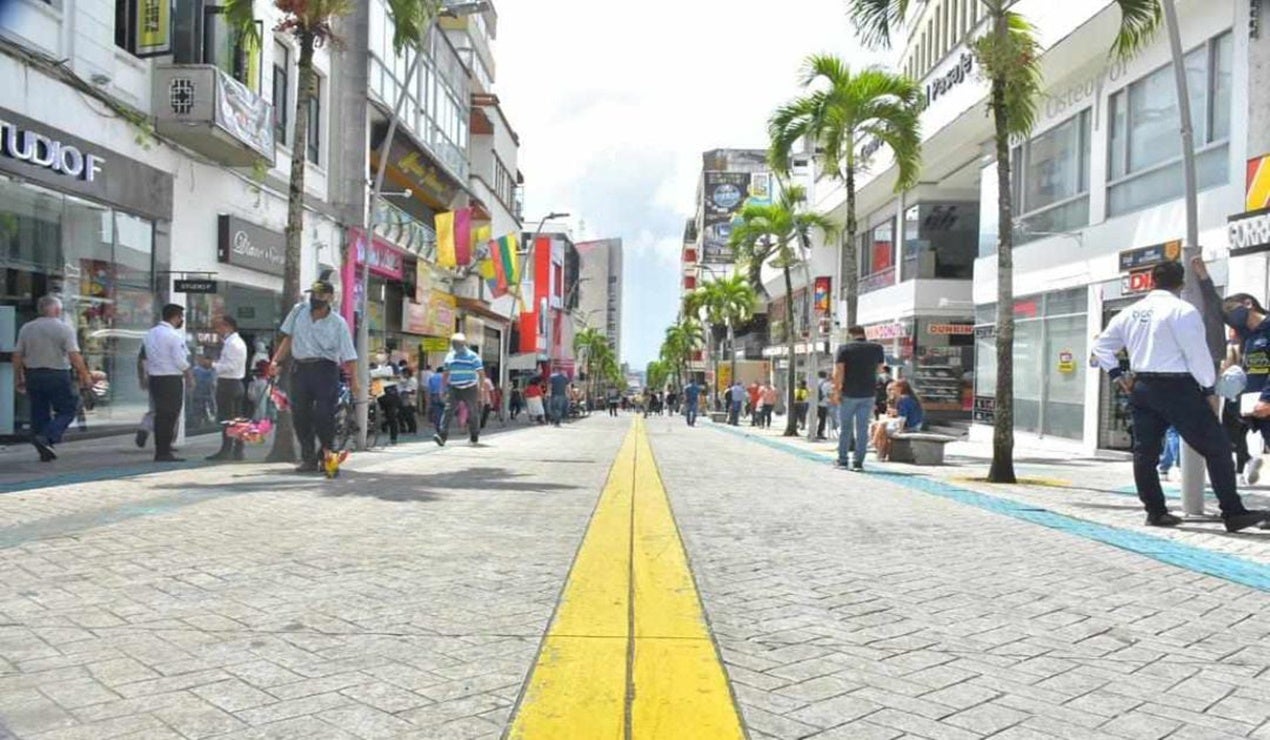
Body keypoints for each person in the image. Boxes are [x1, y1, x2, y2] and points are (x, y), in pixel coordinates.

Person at [1092, 260, 1266, 531]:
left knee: (1145, 453)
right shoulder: (1183, 311)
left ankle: (1156, 511)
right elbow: (1196, 354)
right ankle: (1232, 512)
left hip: (1142, 387)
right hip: (1178, 388)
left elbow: (1101, 346)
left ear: (1151, 281)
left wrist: (1117, 375)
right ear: (1182, 284)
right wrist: (1209, 388)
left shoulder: (1130, 312)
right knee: (1218, 448)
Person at [269, 277, 359, 474]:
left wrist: (355, 383)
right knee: (300, 416)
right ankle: (308, 458)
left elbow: (349, 354)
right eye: (313, 294)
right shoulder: (298, 311)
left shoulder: (338, 323)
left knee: (324, 416)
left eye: (320, 294)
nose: (315, 298)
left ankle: (327, 458)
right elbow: (288, 338)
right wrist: (276, 362)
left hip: (325, 370)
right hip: (300, 369)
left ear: (329, 297)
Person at [12, 295, 94, 462]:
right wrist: (85, 375)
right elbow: (74, 355)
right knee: (68, 408)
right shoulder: (64, 328)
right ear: (57, 310)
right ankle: (47, 436)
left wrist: (18, 376)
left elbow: (17, 355)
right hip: (57, 374)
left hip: (33, 374)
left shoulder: (27, 328)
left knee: (39, 411)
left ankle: (44, 448)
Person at [832, 325, 886, 471]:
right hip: (868, 392)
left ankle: (842, 460)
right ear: (864, 334)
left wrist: (837, 391)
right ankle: (858, 463)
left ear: (850, 335)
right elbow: (880, 369)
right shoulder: (877, 348)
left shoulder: (844, 349)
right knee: (862, 429)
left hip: (848, 392)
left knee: (845, 428)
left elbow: (839, 371)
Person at [143, 304, 192, 463]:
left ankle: (161, 449)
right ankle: (165, 451)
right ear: (175, 317)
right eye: (181, 317)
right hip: (171, 378)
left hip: (156, 378)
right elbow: (180, 360)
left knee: (160, 415)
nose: (181, 320)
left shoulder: (150, 333)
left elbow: (145, 355)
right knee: (171, 415)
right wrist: (189, 375)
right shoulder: (173, 336)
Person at [207, 315, 247, 461]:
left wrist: (212, 365)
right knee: (236, 419)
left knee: (228, 419)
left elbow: (230, 366)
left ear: (228, 326)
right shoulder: (234, 342)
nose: (218, 330)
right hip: (234, 383)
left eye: (220, 326)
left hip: (229, 383)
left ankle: (228, 449)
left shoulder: (233, 344)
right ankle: (237, 449)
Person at [434, 333, 486, 446]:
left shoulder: (473, 356)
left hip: (470, 388)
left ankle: (474, 436)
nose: (456, 346)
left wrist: (481, 389)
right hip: (454, 388)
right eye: (454, 344)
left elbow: (481, 373)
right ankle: (442, 436)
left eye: (458, 344)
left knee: (473, 412)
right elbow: (446, 374)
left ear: (464, 344)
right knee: (448, 411)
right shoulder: (450, 356)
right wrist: (442, 389)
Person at [191, 355, 217, 428]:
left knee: (211, 414)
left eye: (210, 360)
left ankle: (210, 425)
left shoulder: (214, 370)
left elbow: (214, 383)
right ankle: (198, 425)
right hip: (198, 395)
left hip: (210, 396)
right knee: (197, 412)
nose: (208, 362)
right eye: (206, 359)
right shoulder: (196, 370)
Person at [398, 367, 419, 435]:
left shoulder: (413, 380)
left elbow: (413, 390)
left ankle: (412, 429)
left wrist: (405, 392)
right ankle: (405, 429)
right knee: (401, 415)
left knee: (409, 416)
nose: (404, 375)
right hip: (404, 400)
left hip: (410, 400)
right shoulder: (405, 380)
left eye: (405, 374)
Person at [427, 364, 446, 432]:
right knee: (445, 411)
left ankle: (438, 426)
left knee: (437, 412)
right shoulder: (446, 377)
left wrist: (428, 399)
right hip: (444, 395)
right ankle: (444, 425)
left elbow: (429, 389)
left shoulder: (432, 377)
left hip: (434, 395)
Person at [815, 371, 834, 440]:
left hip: (814, 404)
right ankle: (820, 433)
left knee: (814, 419)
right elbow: (830, 394)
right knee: (822, 420)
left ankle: (811, 432)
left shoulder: (815, 381)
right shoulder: (827, 384)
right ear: (825, 376)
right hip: (823, 404)